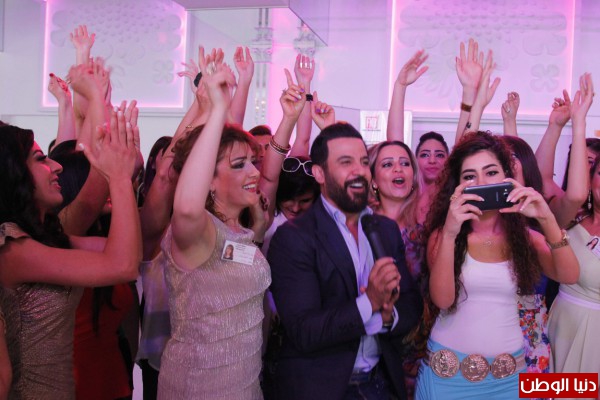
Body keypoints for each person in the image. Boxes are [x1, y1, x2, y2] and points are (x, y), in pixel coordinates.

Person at [157, 52, 305, 399]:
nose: (253, 172)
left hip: (245, 384)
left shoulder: (241, 231)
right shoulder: (196, 232)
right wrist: (218, 110)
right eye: (239, 165)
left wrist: (289, 119)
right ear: (207, 181)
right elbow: (187, 208)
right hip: (198, 387)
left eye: (252, 161)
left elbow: (269, 177)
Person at [415, 131, 578, 400]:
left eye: (491, 172)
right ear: (458, 186)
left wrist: (547, 219)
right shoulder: (444, 236)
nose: (481, 183)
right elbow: (443, 300)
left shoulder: (525, 238)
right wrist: (450, 232)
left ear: (507, 177)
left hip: (509, 378)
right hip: (447, 375)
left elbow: (569, 274)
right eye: (470, 176)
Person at [268, 122, 422, 400]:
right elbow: (304, 331)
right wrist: (369, 302)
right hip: (322, 389)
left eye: (363, 162)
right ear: (319, 173)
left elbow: (411, 302)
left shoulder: (384, 229)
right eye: (345, 162)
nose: (359, 171)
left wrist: (389, 317)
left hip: (380, 383)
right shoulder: (294, 237)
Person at [0, 116, 141, 398]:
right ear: (14, 174)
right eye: (41, 159)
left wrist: (120, 168)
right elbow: (122, 265)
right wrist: (118, 177)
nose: (57, 166)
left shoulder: (43, 239)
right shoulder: (12, 248)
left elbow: (129, 255)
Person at [545, 73, 599, 385]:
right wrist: (569, 124)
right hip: (561, 327)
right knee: (552, 390)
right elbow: (542, 180)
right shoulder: (572, 216)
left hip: (595, 343)